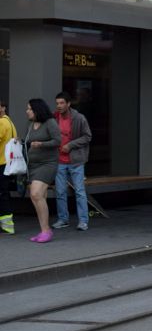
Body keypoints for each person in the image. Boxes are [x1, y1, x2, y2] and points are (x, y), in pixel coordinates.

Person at [52, 91, 93, 231]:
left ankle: (83, 221)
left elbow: (88, 136)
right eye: (57, 103)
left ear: (68, 104)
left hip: (75, 161)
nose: (59, 106)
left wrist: (70, 145)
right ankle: (63, 219)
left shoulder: (79, 118)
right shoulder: (54, 118)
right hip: (59, 161)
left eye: (62, 103)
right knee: (60, 191)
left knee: (80, 191)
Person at [25, 98, 60, 243]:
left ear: (37, 109)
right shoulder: (31, 124)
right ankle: (43, 229)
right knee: (38, 197)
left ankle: (46, 230)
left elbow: (58, 141)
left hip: (47, 164)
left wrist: (42, 144)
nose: (27, 111)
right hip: (33, 165)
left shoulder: (50, 123)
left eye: (29, 109)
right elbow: (28, 142)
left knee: (36, 193)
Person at [0, 99, 17, 234]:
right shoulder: (10, 122)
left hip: (0, 163)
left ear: (3, 107)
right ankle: (7, 225)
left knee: (2, 194)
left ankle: (6, 226)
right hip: (7, 164)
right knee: (4, 193)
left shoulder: (1, 122)